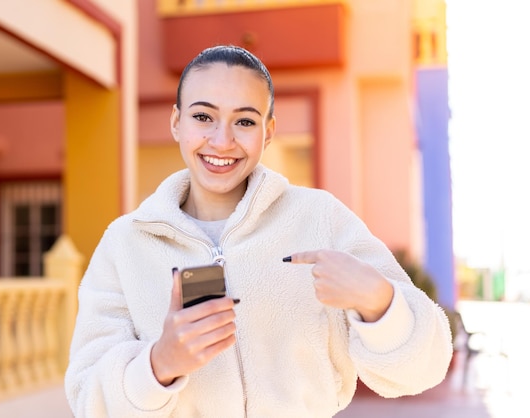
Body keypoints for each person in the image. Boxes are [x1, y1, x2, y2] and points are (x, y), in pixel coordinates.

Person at [65, 45, 453, 417]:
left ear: (268, 132)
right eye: (203, 117)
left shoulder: (320, 218)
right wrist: (159, 364)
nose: (222, 140)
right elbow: (86, 399)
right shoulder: (126, 242)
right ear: (176, 122)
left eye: (245, 121)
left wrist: (379, 302)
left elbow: (424, 367)